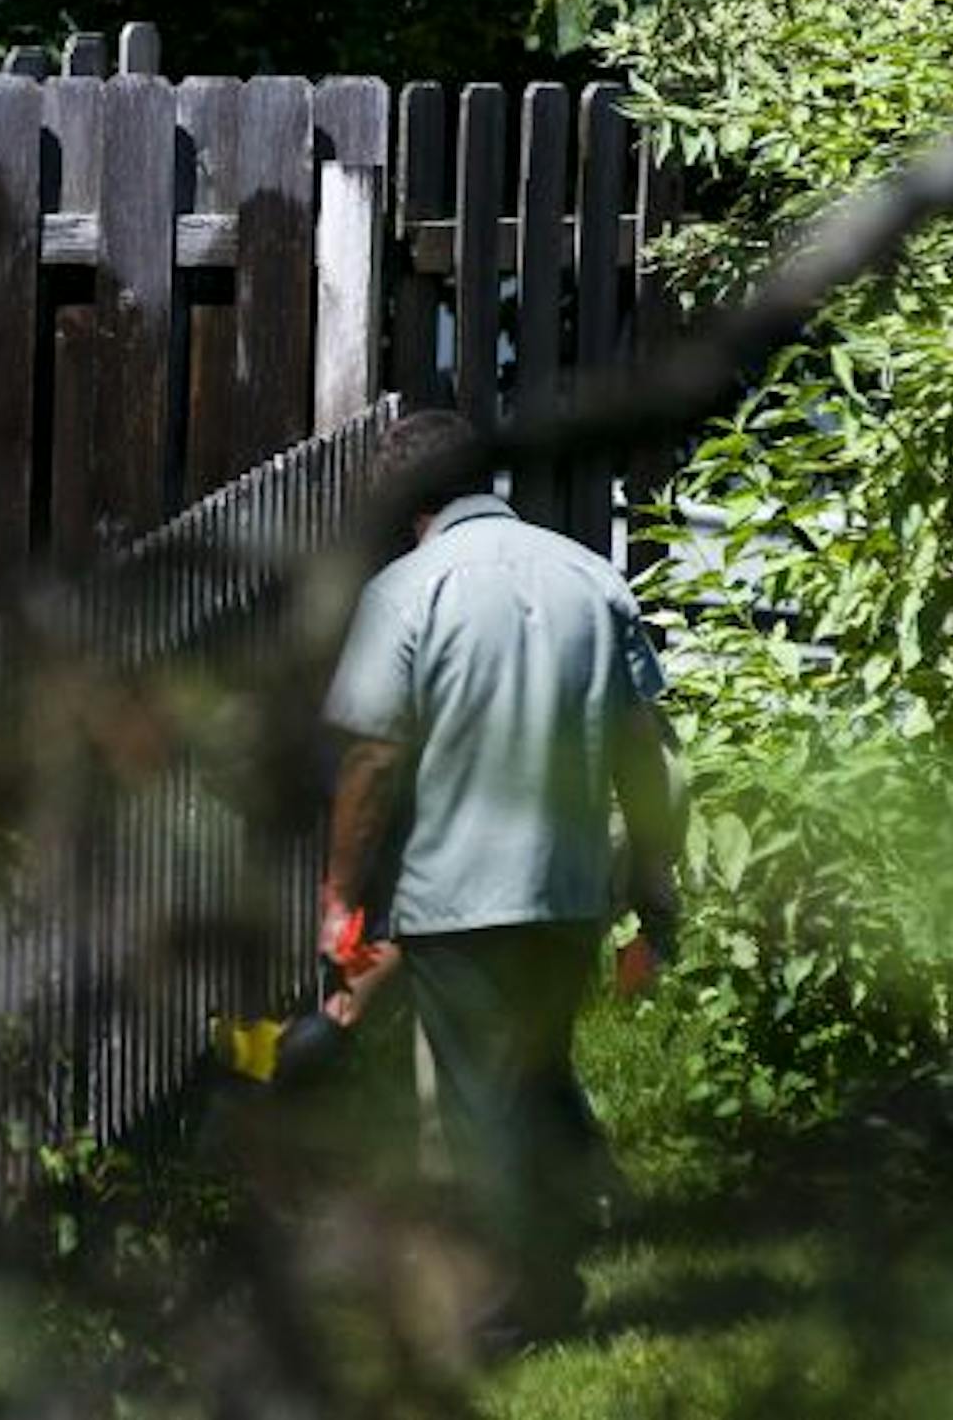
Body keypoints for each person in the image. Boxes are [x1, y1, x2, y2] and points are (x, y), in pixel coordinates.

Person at [317, 410, 684, 1353]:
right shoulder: (588, 577)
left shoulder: (405, 593)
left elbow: (370, 762)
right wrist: (652, 891)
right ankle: (557, 1278)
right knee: (530, 1078)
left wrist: (342, 896)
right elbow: (646, 756)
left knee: (478, 1109)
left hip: (455, 894)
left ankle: (491, 1319)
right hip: (568, 891)